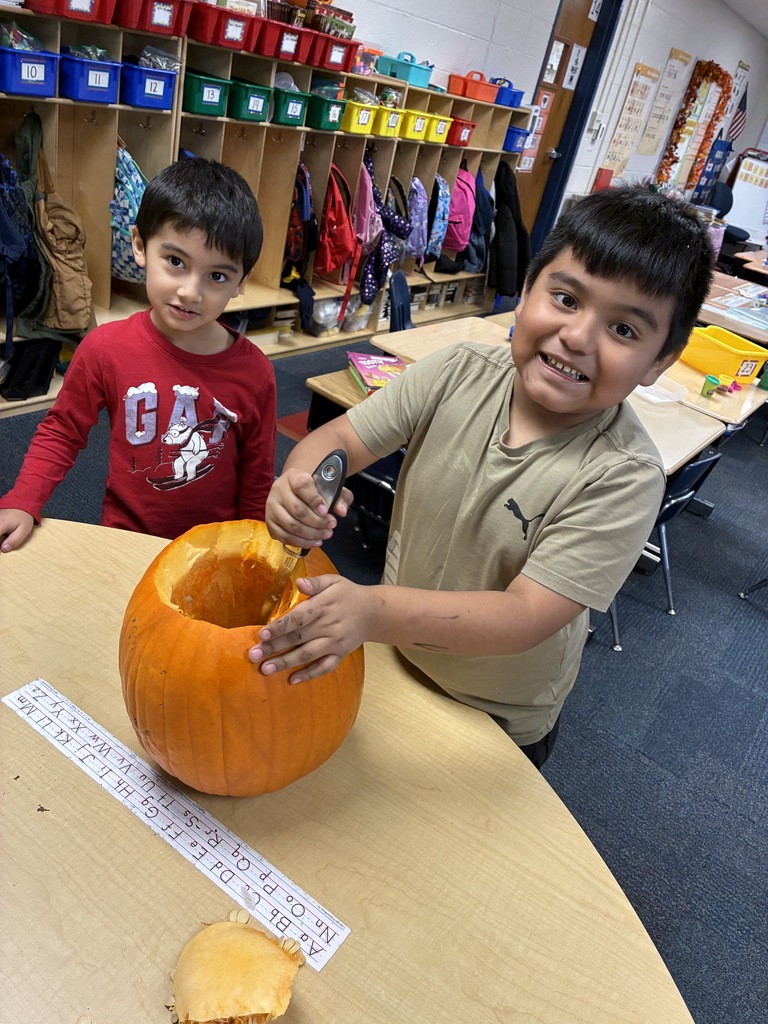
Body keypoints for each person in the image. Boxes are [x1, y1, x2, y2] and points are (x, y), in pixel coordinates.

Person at [246, 186, 715, 769]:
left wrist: (371, 612)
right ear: (525, 293)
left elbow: (523, 617)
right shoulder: (456, 371)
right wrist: (299, 483)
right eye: (566, 298)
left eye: (624, 330)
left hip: (498, 715)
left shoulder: (623, 476)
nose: (578, 336)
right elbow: (337, 441)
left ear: (659, 362)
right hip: (393, 655)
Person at [0, 157, 276, 551]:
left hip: (215, 549)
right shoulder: (105, 349)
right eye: (176, 262)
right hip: (125, 538)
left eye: (217, 276)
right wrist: (24, 499)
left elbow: (257, 474)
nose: (190, 292)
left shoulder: (256, 373)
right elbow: (62, 430)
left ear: (242, 281)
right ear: (139, 246)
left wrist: (253, 544)